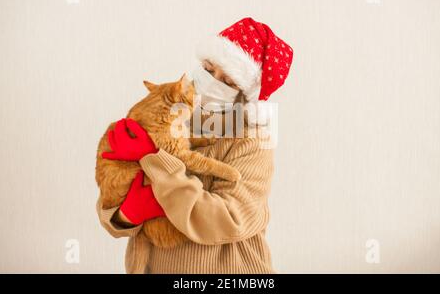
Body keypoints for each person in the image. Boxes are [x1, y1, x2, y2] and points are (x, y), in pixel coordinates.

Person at [96, 17, 293, 273]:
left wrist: (155, 161)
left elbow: (229, 220)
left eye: (230, 81)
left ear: (246, 93)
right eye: (209, 69)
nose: (213, 81)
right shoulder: (168, 110)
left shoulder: (252, 139)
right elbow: (111, 204)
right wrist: (126, 215)